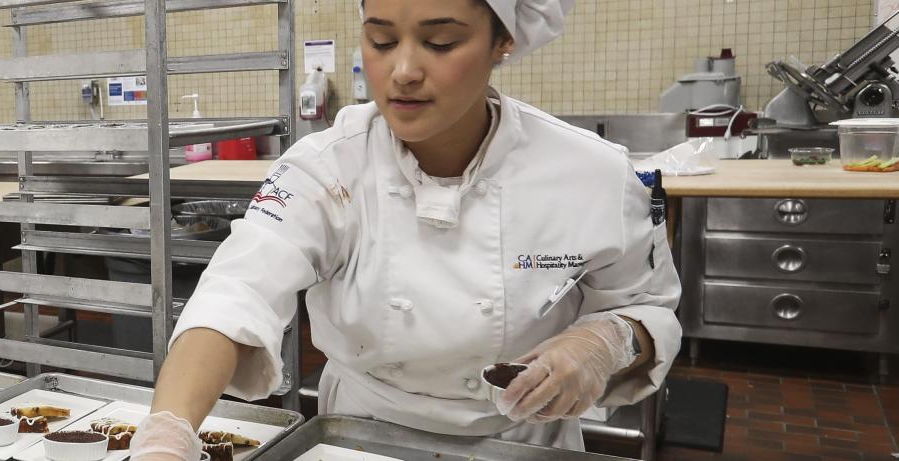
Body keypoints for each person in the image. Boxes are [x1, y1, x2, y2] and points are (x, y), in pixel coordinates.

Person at [132, 0, 680, 457]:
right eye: (381, 40)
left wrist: (601, 342)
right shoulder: (327, 168)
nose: (403, 72)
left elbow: (645, 305)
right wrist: (168, 434)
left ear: (503, 40)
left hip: (524, 441)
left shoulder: (593, 172)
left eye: (440, 43)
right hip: (359, 437)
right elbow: (237, 290)